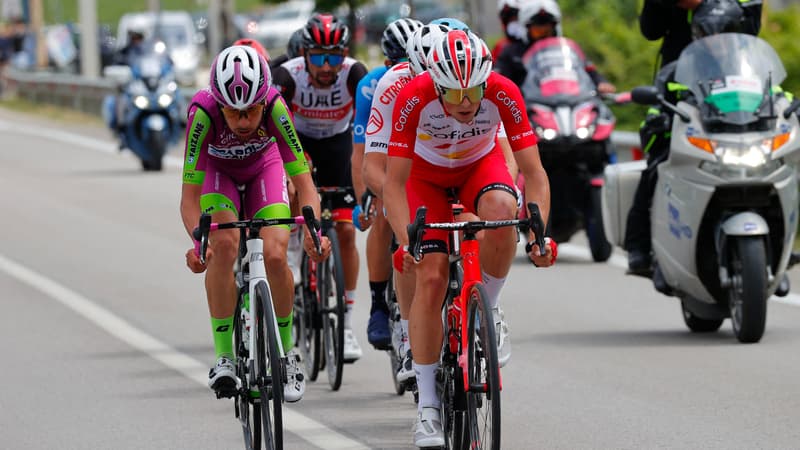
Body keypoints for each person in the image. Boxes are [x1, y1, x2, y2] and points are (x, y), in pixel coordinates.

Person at [384, 29, 556, 448]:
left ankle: (490, 308)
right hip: (423, 177)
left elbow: (533, 174)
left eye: (474, 91)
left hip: (479, 166)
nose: (465, 103)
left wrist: (538, 236)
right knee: (431, 277)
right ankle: (427, 408)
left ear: (487, 80)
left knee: (502, 209)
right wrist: (406, 241)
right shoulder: (413, 97)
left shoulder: (503, 91)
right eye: (454, 94)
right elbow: (393, 183)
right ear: (436, 84)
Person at [180, 45, 331, 401]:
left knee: (276, 254)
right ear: (220, 105)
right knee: (224, 246)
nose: (245, 121)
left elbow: (306, 186)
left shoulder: (277, 108)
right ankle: (224, 357)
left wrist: (314, 234)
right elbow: (188, 199)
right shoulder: (202, 113)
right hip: (220, 175)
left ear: (264, 102)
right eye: (235, 114)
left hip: (266, 167)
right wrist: (199, 244)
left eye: (251, 111)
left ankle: (288, 352)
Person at [625, 0, 762, 274]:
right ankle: (638, 245)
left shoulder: (747, 53)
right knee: (659, 160)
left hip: (737, 78)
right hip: (680, 85)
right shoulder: (674, 64)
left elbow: (752, 26)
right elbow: (650, 30)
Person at [272, 13, 369, 362]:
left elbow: (368, 130)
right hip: (300, 142)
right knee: (298, 189)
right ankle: (295, 256)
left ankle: (344, 325)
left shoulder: (355, 74)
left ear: (344, 54)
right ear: (305, 55)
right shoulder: (288, 75)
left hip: (340, 145)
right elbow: (271, 128)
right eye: (318, 57)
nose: (327, 67)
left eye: (334, 57)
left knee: (344, 230)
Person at [351, 17, 423, 351]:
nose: (408, 72)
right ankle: (379, 303)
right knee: (382, 211)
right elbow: (362, 156)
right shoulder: (374, 84)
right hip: (387, 154)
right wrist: (362, 199)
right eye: (400, 64)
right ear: (387, 63)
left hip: (423, 154)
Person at [496, 0, 616, 93]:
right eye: (537, 31)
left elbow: (588, 70)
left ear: (555, 28)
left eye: (547, 30)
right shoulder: (511, 52)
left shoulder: (567, 49)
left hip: (568, 103)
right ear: (527, 29)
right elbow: (498, 81)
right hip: (529, 109)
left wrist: (601, 82)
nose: (543, 34)